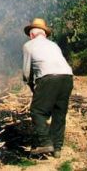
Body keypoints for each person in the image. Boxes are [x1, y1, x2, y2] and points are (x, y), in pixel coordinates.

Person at [22, 18, 73, 158]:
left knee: (37, 111)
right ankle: (57, 148)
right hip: (67, 77)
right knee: (59, 113)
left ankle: (45, 142)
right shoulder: (54, 45)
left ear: (31, 35)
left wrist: (31, 85)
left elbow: (27, 72)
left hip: (48, 77)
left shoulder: (28, 45)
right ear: (44, 34)